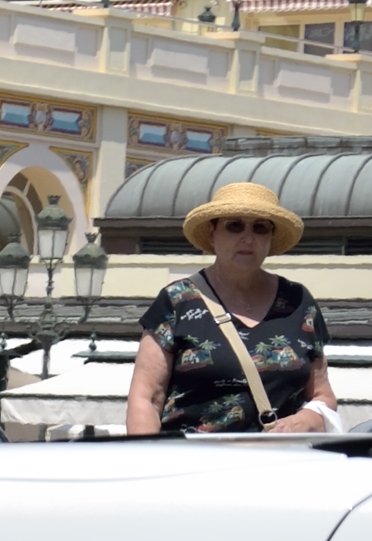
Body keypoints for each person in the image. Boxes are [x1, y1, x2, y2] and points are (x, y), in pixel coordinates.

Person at [126, 181, 339, 437]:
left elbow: (323, 397)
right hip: (191, 466)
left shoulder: (298, 301)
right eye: (234, 225)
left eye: (260, 228)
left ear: (270, 238)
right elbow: (146, 398)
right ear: (212, 231)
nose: (247, 238)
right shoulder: (177, 300)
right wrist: (147, 462)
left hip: (278, 465)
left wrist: (304, 420)